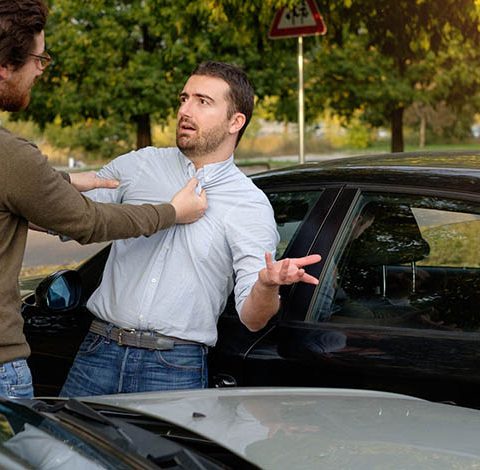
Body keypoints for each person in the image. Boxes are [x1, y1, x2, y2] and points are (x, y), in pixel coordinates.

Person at [60, 61, 322, 396]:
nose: (185, 110)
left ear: (235, 121)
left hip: (173, 367)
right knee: (62, 449)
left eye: (203, 101)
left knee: (159, 452)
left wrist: (267, 285)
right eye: (184, 99)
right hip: (98, 350)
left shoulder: (249, 205)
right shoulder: (139, 166)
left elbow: (254, 319)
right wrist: (52, 182)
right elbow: (61, 216)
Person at [0, 0, 207, 399]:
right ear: (5, 66)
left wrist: (57, 180)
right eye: (39, 58)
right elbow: (89, 222)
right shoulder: (12, 156)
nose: (42, 68)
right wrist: (172, 212)